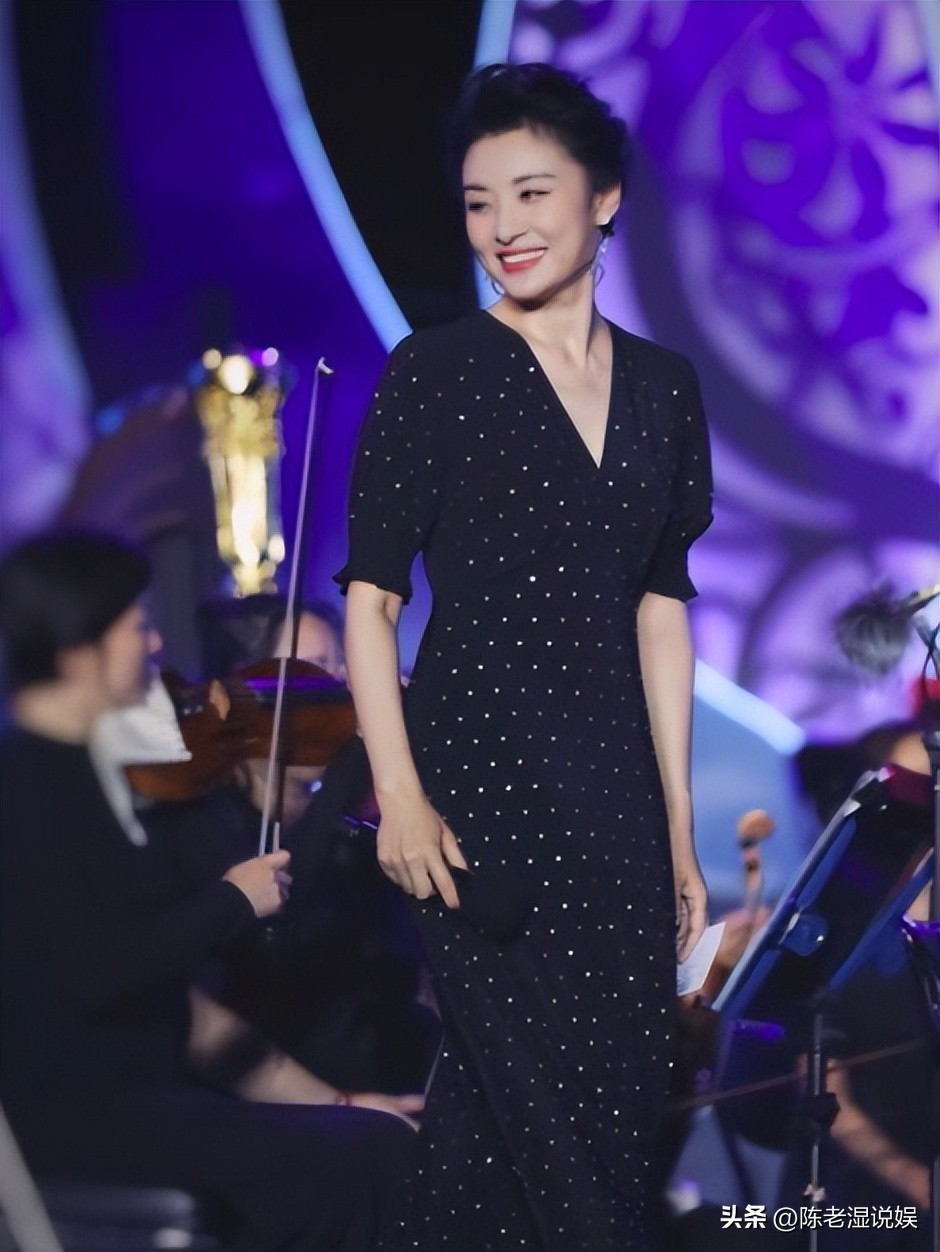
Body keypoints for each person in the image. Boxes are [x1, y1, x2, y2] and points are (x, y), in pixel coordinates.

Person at [335, 63, 713, 1251]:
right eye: (477, 201)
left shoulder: (664, 388)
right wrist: (399, 794)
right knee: (560, 1137)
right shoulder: (435, 369)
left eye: (531, 193)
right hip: (479, 793)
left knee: (531, 1136)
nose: (502, 225)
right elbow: (369, 600)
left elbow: (661, 610)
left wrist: (677, 825)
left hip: (615, 799)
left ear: (604, 198)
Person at [0, 529, 416, 1252]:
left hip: (143, 1100)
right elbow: (93, 971)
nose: (156, 644)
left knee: (378, 1146)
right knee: (359, 1170)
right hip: (71, 1114)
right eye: (137, 626)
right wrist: (229, 901)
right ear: (78, 652)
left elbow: (186, 1012)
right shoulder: (29, 784)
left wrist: (343, 1102)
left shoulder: (96, 775)